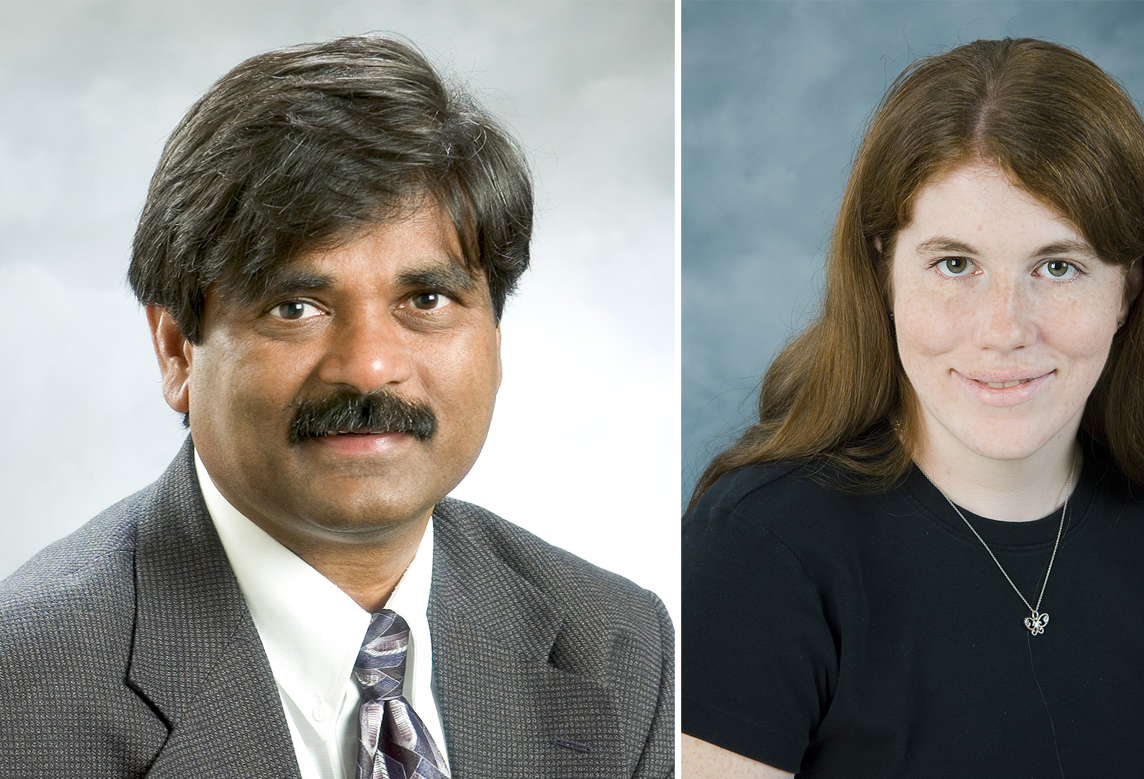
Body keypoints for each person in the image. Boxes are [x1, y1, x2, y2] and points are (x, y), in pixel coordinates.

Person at [0, 36, 672, 778]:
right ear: (177, 350)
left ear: (494, 333)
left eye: (425, 299)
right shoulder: (24, 688)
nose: (370, 366)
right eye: (295, 306)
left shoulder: (618, 649)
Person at [682, 38, 1144, 778]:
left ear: (1130, 286)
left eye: (1058, 266)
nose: (1004, 328)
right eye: (954, 264)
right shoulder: (754, 553)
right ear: (883, 274)